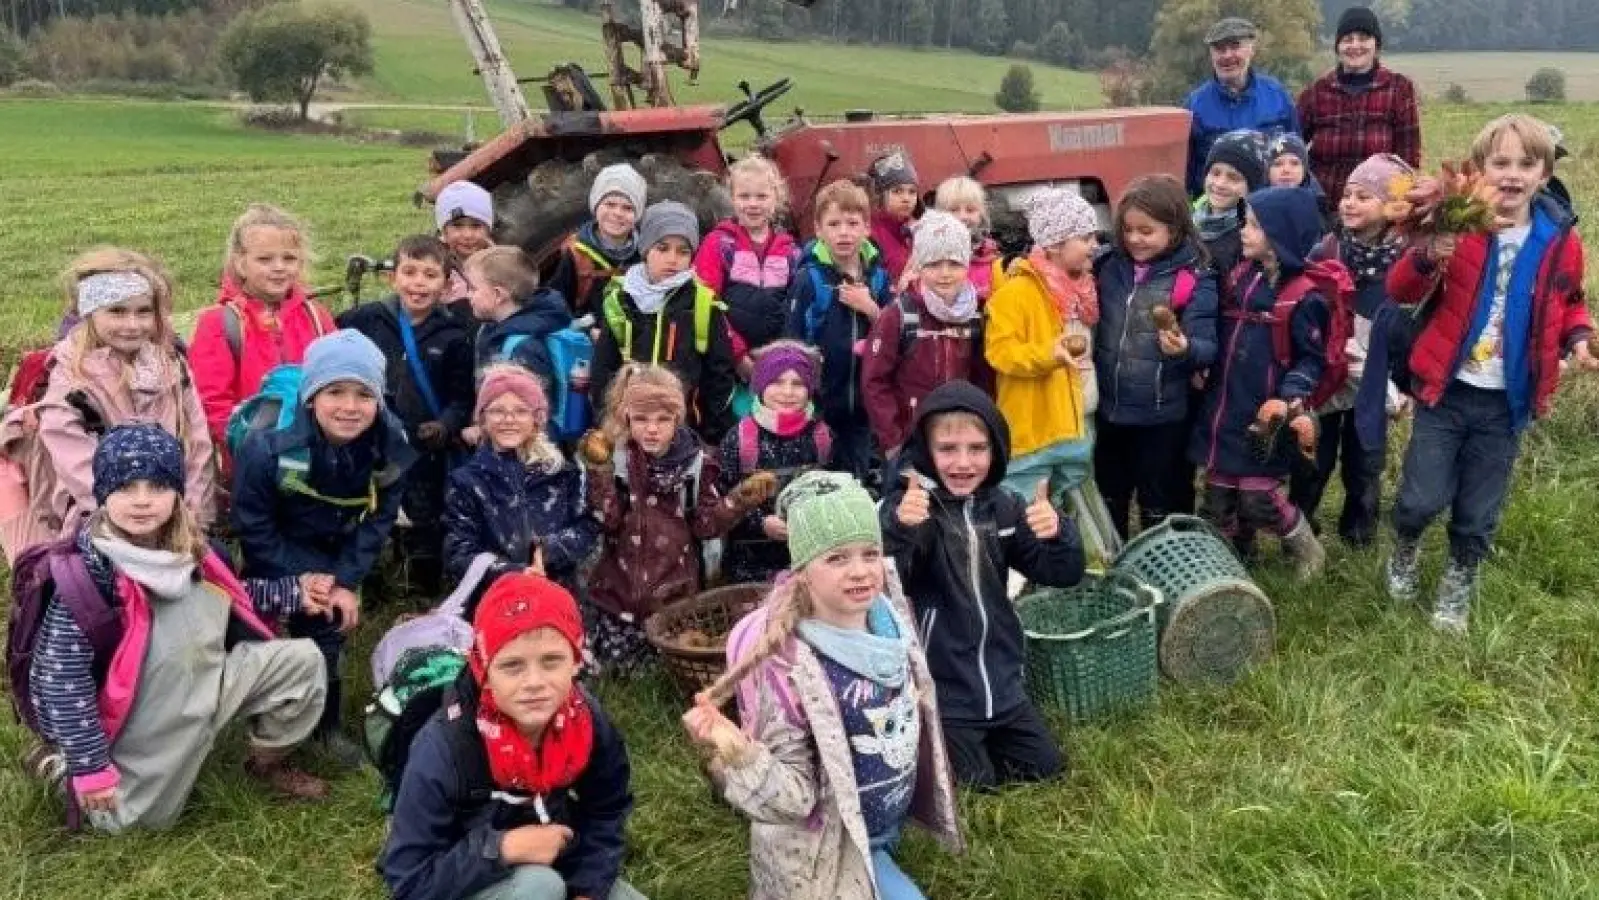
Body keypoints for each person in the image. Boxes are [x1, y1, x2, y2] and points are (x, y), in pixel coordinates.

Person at [28, 425, 328, 832]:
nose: (142, 501)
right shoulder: (90, 579)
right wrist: (90, 765)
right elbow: (62, 680)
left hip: (209, 683)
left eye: (156, 486)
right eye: (124, 488)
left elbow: (233, 596)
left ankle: (265, 764)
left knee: (304, 663)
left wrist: (292, 593)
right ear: (102, 495)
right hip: (146, 718)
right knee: (132, 825)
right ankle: (58, 766)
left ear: (176, 493)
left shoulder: (194, 549)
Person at [682, 471, 964, 900]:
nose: (860, 572)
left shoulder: (889, 618)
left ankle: (883, 845)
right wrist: (737, 752)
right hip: (829, 841)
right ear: (802, 571)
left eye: (869, 553)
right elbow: (792, 800)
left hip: (884, 820)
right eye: (836, 558)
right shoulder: (789, 665)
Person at [1385, 114, 1595, 634]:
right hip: (1445, 391)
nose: (1512, 173)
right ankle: (1405, 548)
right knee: (1418, 499)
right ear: (1478, 170)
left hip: (1507, 401)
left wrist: (1580, 338)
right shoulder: (1457, 224)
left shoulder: (1559, 239)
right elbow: (1400, 290)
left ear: (1545, 174)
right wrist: (1429, 256)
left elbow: (1569, 302)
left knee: (1478, 511)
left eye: (1527, 163)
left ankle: (1457, 583)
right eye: (1500, 162)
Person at [380, 573, 647, 900]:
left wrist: (587, 890)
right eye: (512, 666)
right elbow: (408, 880)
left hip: (555, 860)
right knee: (539, 887)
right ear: (483, 669)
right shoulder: (442, 748)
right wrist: (502, 848)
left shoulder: (586, 719)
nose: (534, 682)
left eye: (551, 661)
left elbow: (606, 809)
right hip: (464, 877)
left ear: (576, 660)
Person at [879, 380, 1084, 788]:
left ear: (996, 451)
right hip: (944, 691)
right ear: (925, 450)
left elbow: (1062, 573)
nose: (963, 462)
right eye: (947, 449)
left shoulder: (1005, 507)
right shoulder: (909, 509)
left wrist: (1060, 532)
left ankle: (997, 732)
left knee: (1045, 770)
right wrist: (900, 529)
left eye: (977, 449)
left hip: (1004, 684)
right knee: (977, 786)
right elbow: (887, 589)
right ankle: (937, 743)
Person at [231, 330, 416, 765]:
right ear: (312, 396)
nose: (350, 407)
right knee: (254, 632)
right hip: (274, 546)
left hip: (336, 547)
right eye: (335, 392)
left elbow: (380, 518)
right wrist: (296, 581)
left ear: (379, 401)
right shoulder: (266, 447)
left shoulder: (390, 446)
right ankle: (256, 717)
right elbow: (251, 523)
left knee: (327, 625)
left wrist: (344, 582)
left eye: (363, 395)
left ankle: (325, 731)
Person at [4, 250, 215, 548]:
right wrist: (135, 527)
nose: (132, 324)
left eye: (143, 312)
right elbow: (79, 471)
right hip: (103, 525)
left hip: (174, 515)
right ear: (90, 313)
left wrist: (192, 516)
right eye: (116, 311)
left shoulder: (172, 365)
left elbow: (197, 447)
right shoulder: (71, 381)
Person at [579, 365, 776, 673]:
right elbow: (608, 520)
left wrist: (739, 499)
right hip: (619, 595)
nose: (651, 429)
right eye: (641, 419)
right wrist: (598, 473)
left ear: (677, 419)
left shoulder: (695, 464)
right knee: (619, 671)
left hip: (674, 594)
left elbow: (706, 525)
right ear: (626, 417)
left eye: (662, 419)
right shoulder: (616, 459)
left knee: (672, 667)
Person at [1190, 187, 1329, 577]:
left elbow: (1311, 358)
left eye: (1252, 225)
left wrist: (1290, 396)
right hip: (1224, 406)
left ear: (1280, 235)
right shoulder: (1240, 275)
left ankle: (1305, 547)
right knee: (1217, 501)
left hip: (1264, 416)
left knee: (1257, 499)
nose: (1243, 233)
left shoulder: (1303, 298)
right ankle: (1236, 558)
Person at [984, 189, 1116, 558]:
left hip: (1075, 420)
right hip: (1037, 427)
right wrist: (1048, 355)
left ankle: (1068, 567)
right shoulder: (1017, 293)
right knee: (1028, 511)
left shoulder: (1081, 290)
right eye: (1085, 237)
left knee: (1062, 506)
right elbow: (1001, 352)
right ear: (1055, 243)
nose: (1095, 244)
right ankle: (1022, 575)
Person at [338, 235, 473, 594]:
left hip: (422, 446)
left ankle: (421, 580)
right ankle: (369, 579)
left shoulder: (454, 337)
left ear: (445, 285)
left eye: (430, 275)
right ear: (392, 278)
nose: (418, 283)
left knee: (424, 512)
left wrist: (445, 425)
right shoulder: (366, 320)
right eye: (409, 272)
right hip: (369, 439)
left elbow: (462, 398)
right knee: (365, 506)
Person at [1288, 154, 1411, 546]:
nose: (1350, 203)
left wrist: (1404, 381)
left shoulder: (1406, 264)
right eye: (1347, 194)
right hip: (1327, 374)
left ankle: (1359, 535)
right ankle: (1300, 532)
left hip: (1374, 379)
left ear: (1393, 208)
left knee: (1364, 462)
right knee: (1312, 458)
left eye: (1364, 196)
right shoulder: (1326, 251)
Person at [1095, 176, 1219, 539]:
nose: (1134, 239)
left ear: (1176, 229)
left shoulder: (1194, 278)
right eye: (1128, 229)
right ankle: (1114, 558)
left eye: (1146, 231)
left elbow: (1207, 346)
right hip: (1110, 408)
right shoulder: (1109, 267)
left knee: (1161, 496)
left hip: (1162, 413)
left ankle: (1168, 557)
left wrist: (1185, 349)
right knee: (1110, 492)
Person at [442, 365, 598, 609]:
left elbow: (587, 526)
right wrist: (513, 572)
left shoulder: (561, 472)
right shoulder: (466, 482)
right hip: (496, 602)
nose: (508, 420)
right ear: (482, 419)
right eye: (497, 411)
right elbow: (458, 554)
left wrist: (550, 550)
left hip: (558, 597)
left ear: (537, 419)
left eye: (520, 411)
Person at [188, 203, 336, 454]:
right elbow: (212, 404)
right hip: (251, 458)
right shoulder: (220, 323)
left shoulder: (316, 316)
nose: (279, 267)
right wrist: (254, 445)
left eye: (288, 258)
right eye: (265, 259)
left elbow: (337, 377)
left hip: (315, 454)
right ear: (241, 263)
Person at [591, 200, 739, 444]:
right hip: (631, 431)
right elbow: (602, 374)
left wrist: (713, 437)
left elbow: (719, 377)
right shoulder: (621, 300)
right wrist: (608, 426)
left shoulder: (702, 304)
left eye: (683, 251)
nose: (673, 259)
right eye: (662, 248)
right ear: (646, 249)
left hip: (685, 432)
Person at [786, 180, 894, 480]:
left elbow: (897, 333)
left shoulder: (879, 279)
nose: (844, 232)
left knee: (857, 476)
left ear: (867, 228)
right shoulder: (810, 279)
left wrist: (870, 308)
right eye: (834, 224)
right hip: (821, 403)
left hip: (864, 404)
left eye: (852, 223)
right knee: (820, 474)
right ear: (819, 230)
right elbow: (792, 341)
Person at [862, 210, 989, 461]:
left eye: (954, 263)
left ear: (966, 266)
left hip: (959, 441)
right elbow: (875, 381)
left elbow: (983, 380)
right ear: (919, 266)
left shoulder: (976, 315)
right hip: (910, 441)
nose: (944, 273)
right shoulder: (899, 314)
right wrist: (892, 440)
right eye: (933, 264)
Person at [716, 341, 832, 584]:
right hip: (748, 571)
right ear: (760, 386)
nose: (787, 392)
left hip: (809, 565)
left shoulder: (822, 437)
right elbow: (720, 500)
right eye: (777, 382)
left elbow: (834, 492)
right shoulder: (738, 438)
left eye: (797, 384)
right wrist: (760, 523)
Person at [1296, 6, 1422, 204]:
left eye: (1363, 38)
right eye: (1347, 39)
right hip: (1324, 204)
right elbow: (1293, 144)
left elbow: (1407, 159)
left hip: (1377, 207)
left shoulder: (1399, 88)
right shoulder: (1316, 91)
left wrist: (1399, 205)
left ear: (1376, 45)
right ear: (1338, 47)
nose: (1355, 45)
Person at [693, 154, 800, 355]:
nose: (753, 204)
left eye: (761, 196)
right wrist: (738, 355)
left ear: (777, 199)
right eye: (744, 196)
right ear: (732, 199)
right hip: (728, 356)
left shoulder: (790, 251)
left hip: (777, 356)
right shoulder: (719, 244)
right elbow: (705, 303)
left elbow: (796, 307)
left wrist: (781, 353)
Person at [1182, 16, 1300, 198]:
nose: (1228, 55)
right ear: (1211, 54)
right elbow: (1187, 171)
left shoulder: (1277, 95)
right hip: (1218, 212)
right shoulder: (1195, 105)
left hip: (1270, 205)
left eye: (1235, 46)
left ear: (1251, 49)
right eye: (1220, 49)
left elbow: (1296, 154)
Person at [464, 245, 572, 391]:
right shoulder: (491, 328)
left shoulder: (524, 349)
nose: (467, 295)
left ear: (498, 295)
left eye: (473, 289)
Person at [547, 163, 646, 316]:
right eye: (610, 204)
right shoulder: (577, 255)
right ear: (596, 206)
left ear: (638, 214)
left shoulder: (644, 253)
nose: (617, 213)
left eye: (627, 208)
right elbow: (557, 306)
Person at [1194, 129, 1270, 280]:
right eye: (1215, 173)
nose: (1220, 183)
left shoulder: (1248, 238)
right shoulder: (1193, 219)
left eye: (1233, 178)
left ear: (1252, 187)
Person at [932, 176, 1005, 303]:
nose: (963, 216)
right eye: (953, 210)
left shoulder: (995, 261)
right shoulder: (928, 258)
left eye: (970, 210)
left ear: (981, 214)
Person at [434, 180, 497, 326]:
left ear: (488, 229)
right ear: (443, 231)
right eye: (457, 226)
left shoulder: (501, 265)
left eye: (476, 226)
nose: (467, 235)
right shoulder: (435, 267)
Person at [868, 151, 921, 283]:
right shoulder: (869, 234)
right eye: (897, 191)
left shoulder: (917, 230)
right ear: (881, 195)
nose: (906, 198)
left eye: (912, 192)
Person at [1267, 132, 1332, 230]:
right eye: (1278, 164)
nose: (1286, 170)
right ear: (1267, 170)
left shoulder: (1316, 203)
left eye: (1294, 163)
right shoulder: (1251, 201)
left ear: (1304, 169)